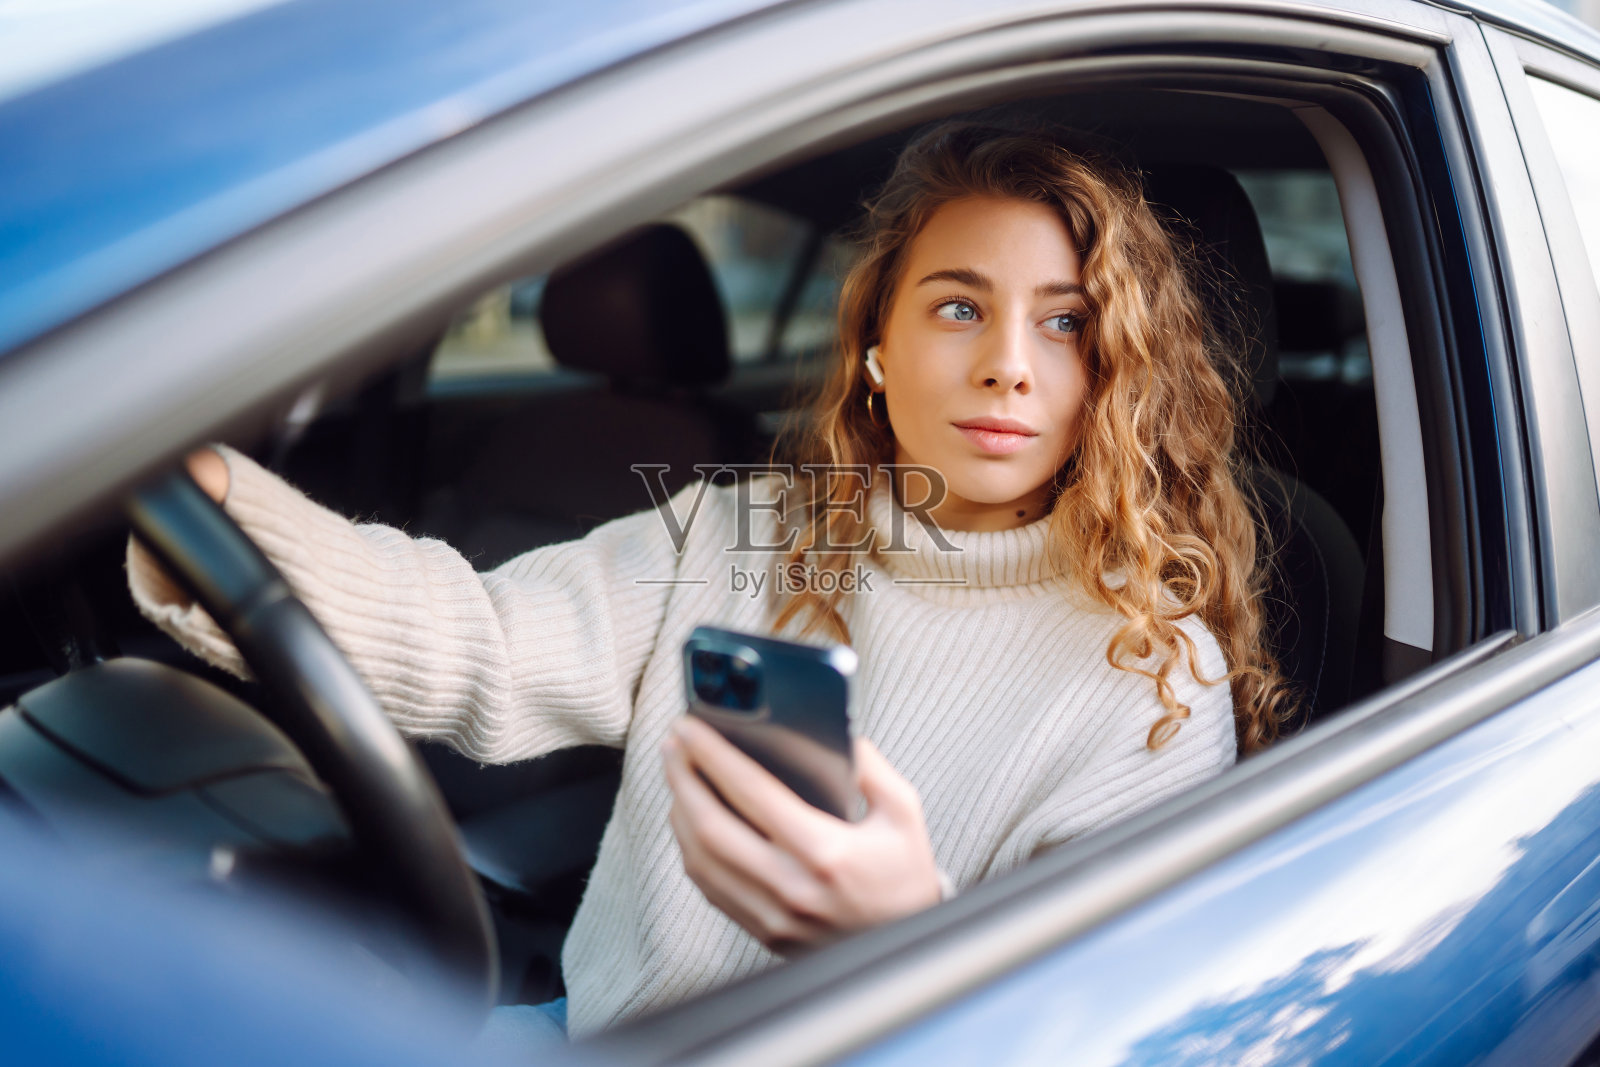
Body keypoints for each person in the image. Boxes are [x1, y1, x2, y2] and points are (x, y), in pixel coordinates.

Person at [126, 121, 1289, 1042]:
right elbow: (478, 638)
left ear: (1113, 370)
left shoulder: (1153, 676)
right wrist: (217, 500)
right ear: (879, 354)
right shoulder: (742, 531)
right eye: (957, 306)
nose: (1004, 365)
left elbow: (1100, 1032)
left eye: (1066, 323)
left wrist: (908, 935)